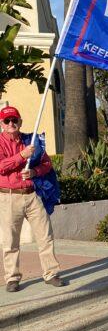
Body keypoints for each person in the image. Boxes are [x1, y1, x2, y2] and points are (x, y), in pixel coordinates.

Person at [0, 106, 65, 292]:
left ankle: (51, 274)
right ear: (1, 124)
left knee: (45, 236)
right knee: (10, 241)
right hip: (9, 197)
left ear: (20, 122)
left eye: (14, 120)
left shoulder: (31, 140)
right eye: (7, 121)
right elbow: (1, 166)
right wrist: (22, 156)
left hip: (32, 195)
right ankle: (12, 278)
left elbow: (47, 163)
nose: (11, 123)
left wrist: (35, 171)